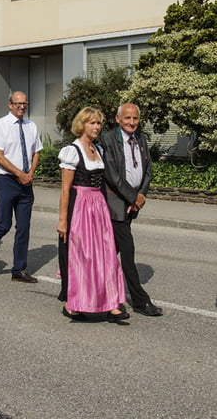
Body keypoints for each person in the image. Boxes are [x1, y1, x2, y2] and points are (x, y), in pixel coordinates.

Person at [56, 107, 127, 323]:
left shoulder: (98, 150)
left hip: (99, 206)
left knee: (106, 255)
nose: (96, 127)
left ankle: (111, 304)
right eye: (92, 123)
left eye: (98, 123)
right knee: (83, 257)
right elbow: (65, 189)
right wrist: (63, 220)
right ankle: (73, 303)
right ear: (82, 124)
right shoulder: (72, 151)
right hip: (80, 206)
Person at [0, 91, 42, 282]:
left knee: (24, 227)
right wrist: (19, 174)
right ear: (10, 104)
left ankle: (19, 269)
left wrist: (30, 173)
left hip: (26, 181)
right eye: (18, 103)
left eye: (24, 103)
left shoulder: (31, 125)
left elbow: (36, 152)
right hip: (7, 180)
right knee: (3, 224)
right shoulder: (0, 125)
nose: (21, 107)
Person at [102, 103, 163, 317]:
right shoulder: (108, 139)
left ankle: (89, 289)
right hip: (116, 204)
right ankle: (139, 300)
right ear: (118, 119)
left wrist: (141, 194)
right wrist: (132, 196)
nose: (131, 122)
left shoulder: (141, 139)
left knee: (110, 252)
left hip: (132, 203)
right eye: (127, 118)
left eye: (135, 118)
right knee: (127, 251)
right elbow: (111, 175)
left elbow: (147, 169)